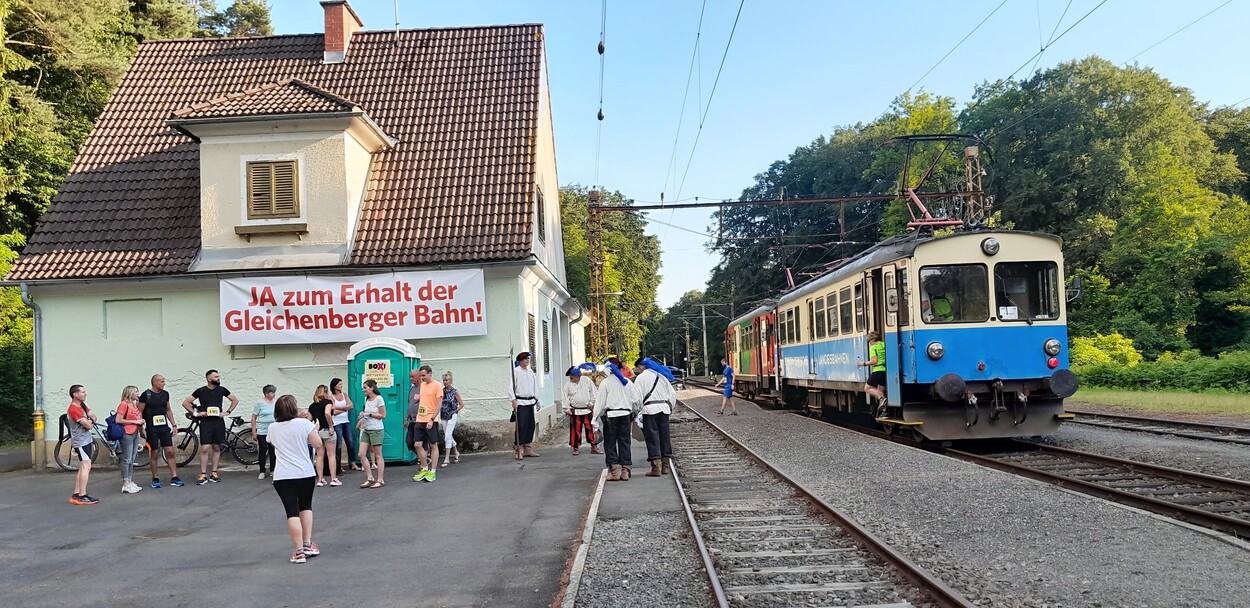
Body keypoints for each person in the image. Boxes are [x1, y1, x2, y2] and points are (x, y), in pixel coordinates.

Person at [267, 394, 324, 564]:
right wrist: (314, 428)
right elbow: (317, 444)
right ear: (294, 408)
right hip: (305, 473)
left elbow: (273, 443)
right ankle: (307, 544)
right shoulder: (304, 424)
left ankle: (299, 552)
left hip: (283, 475)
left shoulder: (272, 428)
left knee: (291, 511)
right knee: (306, 506)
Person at [182, 369, 238, 485]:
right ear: (209, 379)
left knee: (217, 447)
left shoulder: (222, 390)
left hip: (218, 422)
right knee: (205, 448)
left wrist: (227, 412)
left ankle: (214, 472)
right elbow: (186, 403)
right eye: (216, 377)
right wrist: (196, 413)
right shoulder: (201, 391)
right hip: (206, 423)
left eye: (218, 376)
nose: (218, 378)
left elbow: (235, 400)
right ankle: (203, 474)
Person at [592, 363, 639, 481]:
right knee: (625, 442)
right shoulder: (627, 382)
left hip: (611, 416)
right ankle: (625, 470)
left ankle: (614, 472)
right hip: (625, 415)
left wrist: (594, 418)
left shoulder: (605, 383)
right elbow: (636, 400)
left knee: (610, 443)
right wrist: (634, 413)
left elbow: (600, 403)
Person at [633, 358, 676, 477]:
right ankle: (665, 466)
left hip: (649, 410)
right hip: (664, 409)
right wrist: (670, 408)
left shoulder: (640, 378)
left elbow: (636, 398)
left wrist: (637, 411)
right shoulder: (661, 376)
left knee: (652, 438)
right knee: (664, 436)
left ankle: (656, 467)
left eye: (638, 368)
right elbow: (672, 394)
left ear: (641, 367)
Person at [139, 374, 183, 488]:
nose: (164, 383)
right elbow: (139, 412)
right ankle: (155, 478)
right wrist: (141, 428)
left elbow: (168, 409)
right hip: (151, 428)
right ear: (155, 382)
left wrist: (173, 425)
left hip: (164, 427)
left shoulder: (165, 394)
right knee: (154, 453)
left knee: (170, 451)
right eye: (162, 381)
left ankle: (174, 477)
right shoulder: (146, 395)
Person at [408, 366, 443, 482]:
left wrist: (432, 419)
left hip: (430, 419)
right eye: (420, 375)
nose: (421, 378)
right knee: (417, 445)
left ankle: (432, 471)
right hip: (420, 419)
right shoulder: (422, 385)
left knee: (433, 445)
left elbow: (439, 405)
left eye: (423, 375)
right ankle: (424, 468)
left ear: (430, 374)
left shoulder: (437, 386)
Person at [66, 385, 99, 505]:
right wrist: (91, 421)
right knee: (86, 466)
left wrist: (91, 420)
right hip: (80, 442)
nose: (85, 394)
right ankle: (82, 495)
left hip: (86, 440)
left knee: (83, 466)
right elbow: (89, 425)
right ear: (75, 394)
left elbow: (93, 417)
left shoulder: (82, 406)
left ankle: (77, 493)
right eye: (83, 392)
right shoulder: (74, 409)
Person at [507, 352, 542, 459]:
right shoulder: (516, 372)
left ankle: (527, 448)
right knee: (521, 426)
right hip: (520, 402)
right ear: (520, 360)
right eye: (525, 359)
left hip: (530, 402)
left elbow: (534, 386)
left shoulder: (530, 371)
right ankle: (518, 449)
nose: (527, 360)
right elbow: (511, 387)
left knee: (530, 425)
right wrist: (513, 400)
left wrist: (538, 400)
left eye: (528, 359)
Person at [115, 385, 146, 494]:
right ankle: (125, 483)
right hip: (127, 434)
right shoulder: (123, 404)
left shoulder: (133, 404)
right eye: (136, 392)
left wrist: (141, 426)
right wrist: (134, 422)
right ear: (129, 393)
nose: (138, 394)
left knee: (132, 458)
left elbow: (137, 417)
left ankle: (130, 480)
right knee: (126, 459)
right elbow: (118, 420)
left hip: (135, 432)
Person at [358, 379, 387, 488]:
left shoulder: (379, 399)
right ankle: (370, 477)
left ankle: (380, 479)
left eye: (365, 387)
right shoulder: (367, 399)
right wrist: (363, 414)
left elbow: (383, 415)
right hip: (366, 428)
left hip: (376, 429)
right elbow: (367, 413)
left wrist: (369, 414)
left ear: (372, 388)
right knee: (361, 454)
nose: (363, 390)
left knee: (378, 455)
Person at [309, 385, 340, 487]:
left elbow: (309, 419)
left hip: (317, 432)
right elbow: (327, 413)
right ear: (325, 392)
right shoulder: (328, 402)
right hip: (327, 430)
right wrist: (331, 426)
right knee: (331, 455)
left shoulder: (312, 406)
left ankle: (320, 479)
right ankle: (333, 478)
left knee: (320, 455)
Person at [562, 367, 597, 456]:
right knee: (575, 430)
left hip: (587, 410)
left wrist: (592, 403)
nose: (571, 377)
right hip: (575, 411)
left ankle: (594, 446)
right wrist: (566, 409)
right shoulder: (567, 385)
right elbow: (565, 397)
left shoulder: (587, 381)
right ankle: (575, 447)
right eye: (570, 376)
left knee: (590, 429)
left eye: (572, 376)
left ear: (578, 376)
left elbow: (594, 392)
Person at [328, 378, 361, 472]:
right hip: (336, 423)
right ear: (334, 386)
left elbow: (351, 405)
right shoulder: (331, 397)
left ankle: (353, 463)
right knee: (338, 444)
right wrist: (345, 409)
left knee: (350, 442)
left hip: (345, 421)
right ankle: (339, 466)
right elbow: (333, 411)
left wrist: (339, 408)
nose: (341, 386)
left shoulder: (344, 394)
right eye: (339, 384)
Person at [858, 331, 889, 417]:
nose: (870, 344)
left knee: (867, 388)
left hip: (878, 371)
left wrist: (863, 363)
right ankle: (884, 413)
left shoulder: (874, 347)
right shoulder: (885, 345)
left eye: (869, 341)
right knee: (880, 391)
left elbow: (874, 361)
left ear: (873, 340)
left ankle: (882, 398)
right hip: (886, 371)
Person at [439, 371, 465, 467]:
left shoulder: (454, 391)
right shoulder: (442, 391)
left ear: (451, 381)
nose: (445, 382)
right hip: (444, 414)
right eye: (444, 380)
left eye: (447, 380)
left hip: (452, 415)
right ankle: (456, 452)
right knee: (447, 435)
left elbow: (461, 404)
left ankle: (446, 458)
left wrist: (455, 411)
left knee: (447, 436)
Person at [252, 385, 278, 480]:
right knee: (263, 450)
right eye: (272, 392)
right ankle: (262, 470)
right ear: (266, 393)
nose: (274, 394)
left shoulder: (275, 403)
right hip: (263, 430)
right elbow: (254, 417)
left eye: (274, 392)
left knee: (273, 451)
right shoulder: (260, 403)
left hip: (273, 430)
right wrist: (254, 431)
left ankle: (273, 470)